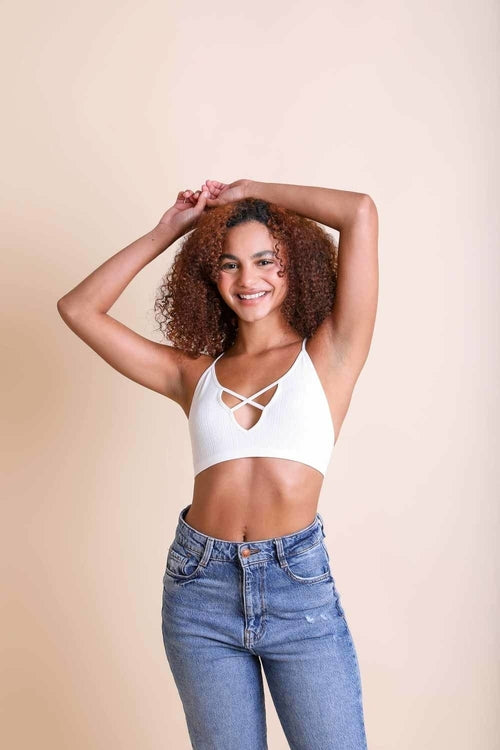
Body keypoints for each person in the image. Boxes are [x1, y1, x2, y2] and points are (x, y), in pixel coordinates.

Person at [57, 178, 379, 749]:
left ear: (295, 265)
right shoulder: (192, 374)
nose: (248, 279)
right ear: (210, 276)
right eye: (229, 264)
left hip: (296, 588)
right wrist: (170, 230)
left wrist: (250, 189)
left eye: (265, 260)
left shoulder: (331, 353)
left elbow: (359, 211)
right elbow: (78, 308)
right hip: (199, 589)